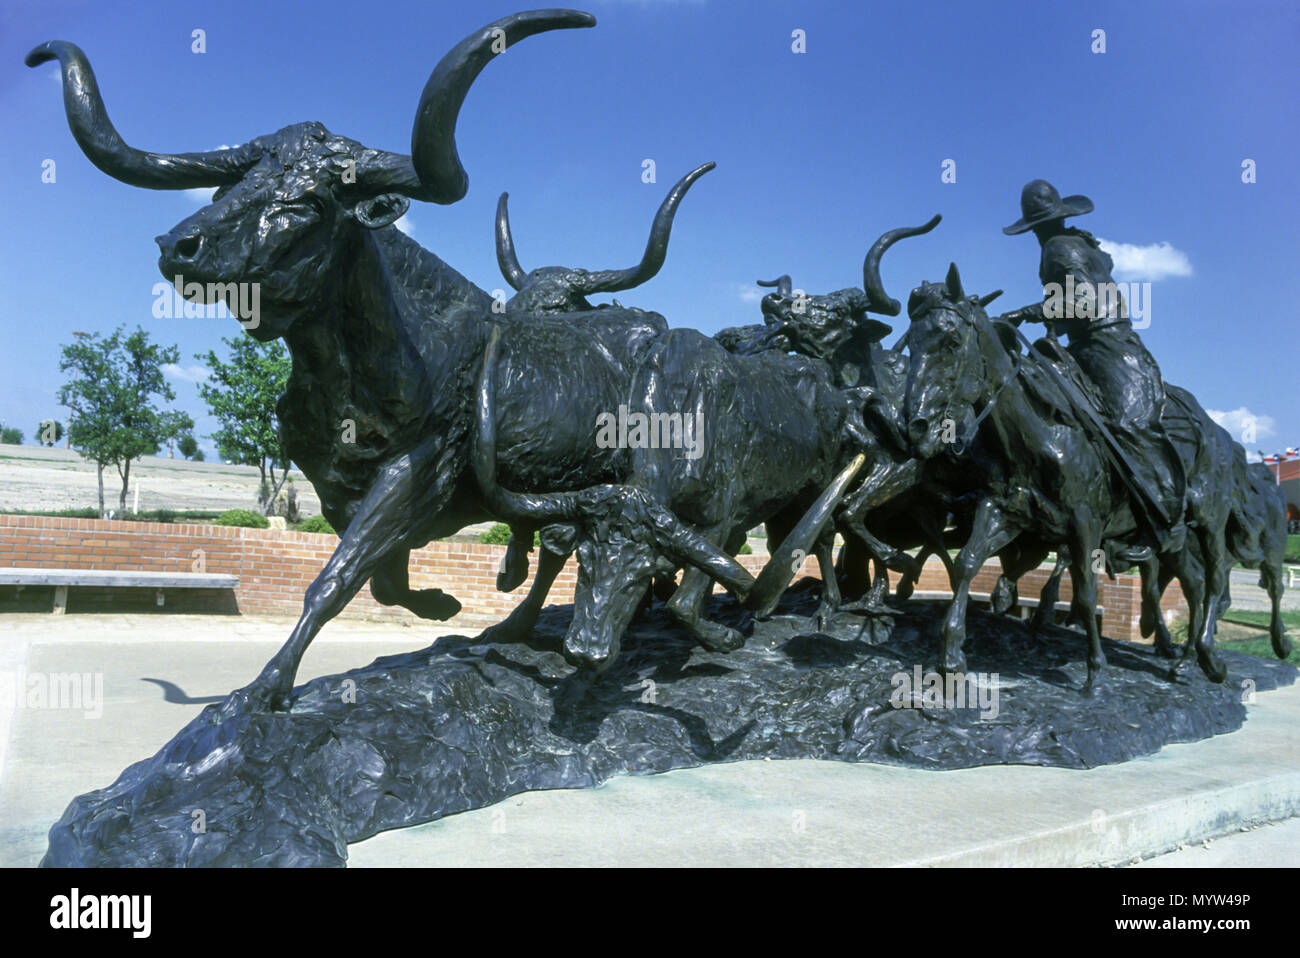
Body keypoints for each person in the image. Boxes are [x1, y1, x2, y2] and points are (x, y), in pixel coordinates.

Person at [999, 179, 1186, 554]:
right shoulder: (1074, 242)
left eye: (1034, 228)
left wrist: (1027, 313)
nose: (1035, 234)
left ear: (1037, 226)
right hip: (1083, 345)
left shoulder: (1058, 247)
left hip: (1108, 346)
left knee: (1130, 427)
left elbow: (1083, 300)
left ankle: (1168, 523)